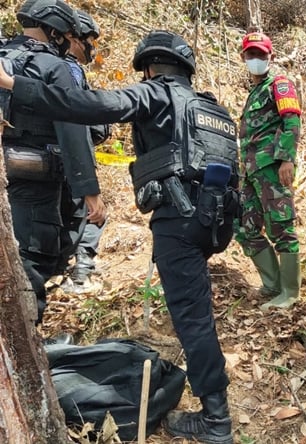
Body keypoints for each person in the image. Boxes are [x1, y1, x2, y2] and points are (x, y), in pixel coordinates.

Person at [0, 30, 240, 444]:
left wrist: (13, 84)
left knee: (193, 319)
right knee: (196, 310)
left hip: (180, 221)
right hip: (214, 222)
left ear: (150, 69)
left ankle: (216, 421)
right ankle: (213, 409)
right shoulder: (210, 107)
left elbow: (90, 105)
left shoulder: (157, 93)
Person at [0, 0, 106, 327]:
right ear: (55, 31)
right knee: (31, 262)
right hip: (32, 184)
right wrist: (90, 191)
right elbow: (74, 130)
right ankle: (26, 346)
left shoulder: (4, 56)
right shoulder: (53, 66)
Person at [234, 31, 302, 309]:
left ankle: (290, 292)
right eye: (251, 54)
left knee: (281, 227)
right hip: (250, 172)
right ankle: (272, 285)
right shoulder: (254, 93)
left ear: (270, 56)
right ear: (244, 57)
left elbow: (291, 120)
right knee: (244, 228)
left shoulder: (279, 84)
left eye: (260, 54)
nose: (255, 59)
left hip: (272, 168)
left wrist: (287, 159)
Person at [55, 9, 110, 289]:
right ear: (74, 38)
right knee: (93, 213)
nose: (92, 47)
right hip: (68, 159)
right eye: (90, 40)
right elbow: (77, 120)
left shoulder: (38, 64)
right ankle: (80, 272)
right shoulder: (68, 69)